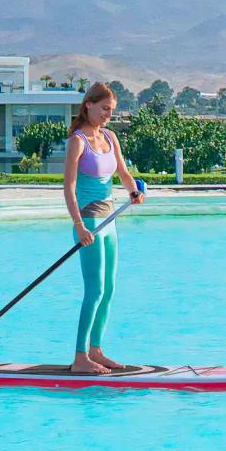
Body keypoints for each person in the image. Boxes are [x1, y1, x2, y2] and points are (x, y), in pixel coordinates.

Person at [59, 79, 145, 374]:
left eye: (111, 110)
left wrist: (133, 190)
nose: (108, 114)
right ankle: (80, 356)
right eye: (104, 108)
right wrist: (79, 225)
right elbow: (69, 188)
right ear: (89, 105)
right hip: (90, 223)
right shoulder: (77, 141)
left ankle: (96, 349)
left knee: (108, 290)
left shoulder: (109, 137)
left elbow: (122, 173)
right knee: (93, 291)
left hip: (110, 221)